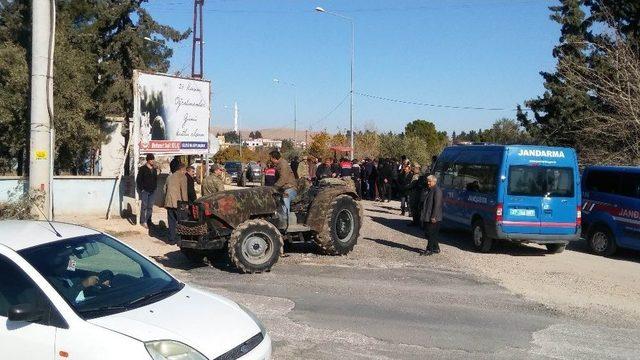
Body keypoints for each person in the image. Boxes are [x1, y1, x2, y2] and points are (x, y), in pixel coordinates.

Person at [164, 163, 188, 245]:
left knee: (171, 222)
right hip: (178, 203)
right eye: (185, 170)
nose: (185, 172)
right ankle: (182, 239)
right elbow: (184, 192)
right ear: (182, 169)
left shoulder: (169, 177)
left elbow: (164, 190)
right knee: (182, 222)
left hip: (169, 202)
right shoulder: (183, 177)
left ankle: (171, 240)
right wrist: (186, 204)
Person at [420, 175, 443, 255]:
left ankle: (429, 250)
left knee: (430, 233)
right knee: (432, 234)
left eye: (430, 181)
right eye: (427, 181)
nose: (428, 183)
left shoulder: (437, 191)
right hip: (428, 215)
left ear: (434, 182)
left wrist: (433, 216)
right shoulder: (430, 189)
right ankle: (436, 248)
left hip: (434, 217)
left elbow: (437, 205)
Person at [136, 154, 158, 228]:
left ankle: (148, 221)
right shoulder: (143, 169)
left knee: (150, 207)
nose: (153, 161)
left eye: (153, 159)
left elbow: (155, 179)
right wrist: (142, 189)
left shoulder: (154, 169)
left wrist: (155, 187)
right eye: (151, 159)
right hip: (145, 190)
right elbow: (138, 180)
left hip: (152, 191)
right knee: (144, 206)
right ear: (148, 160)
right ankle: (143, 221)